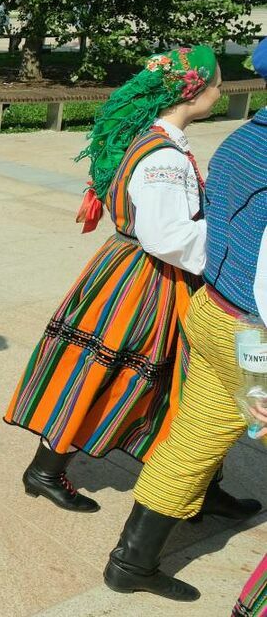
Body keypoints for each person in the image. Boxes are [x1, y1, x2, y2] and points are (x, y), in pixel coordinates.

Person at [3, 46, 255, 520]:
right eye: (218, 82)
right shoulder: (165, 158)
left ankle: (202, 483)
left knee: (173, 381)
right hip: (149, 279)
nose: (222, 91)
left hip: (134, 269)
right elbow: (167, 237)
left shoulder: (160, 141)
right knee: (122, 373)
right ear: (192, 91)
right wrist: (228, 237)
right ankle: (46, 469)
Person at [103, 41, 267, 603]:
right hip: (255, 335)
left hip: (215, 313)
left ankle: (132, 561)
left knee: (195, 435)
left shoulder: (241, 141)